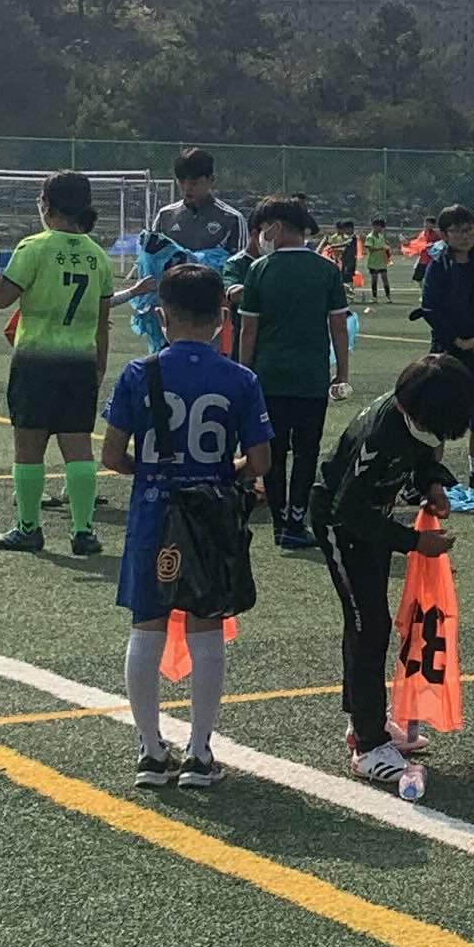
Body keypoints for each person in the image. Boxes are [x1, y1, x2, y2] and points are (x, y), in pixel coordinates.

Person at [100, 268, 270, 787]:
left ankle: (151, 752)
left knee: (146, 624)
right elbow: (260, 461)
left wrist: (152, 473)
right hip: (210, 514)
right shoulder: (240, 379)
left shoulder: (138, 373)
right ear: (222, 317)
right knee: (206, 624)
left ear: (161, 316)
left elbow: (112, 456)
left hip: (154, 510)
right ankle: (199, 751)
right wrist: (222, 473)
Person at [316, 355, 474, 805]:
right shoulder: (380, 435)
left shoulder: (415, 420)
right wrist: (412, 542)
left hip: (370, 522)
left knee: (372, 624)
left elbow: (423, 457)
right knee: (367, 624)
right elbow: (347, 509)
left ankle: (364, 721)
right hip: (342, 527)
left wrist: (432, 486)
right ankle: (368, 745)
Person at [0, 167, 119, 556]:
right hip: (81, 362)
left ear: (47, 205)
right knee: (78, 446)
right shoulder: (98, 257)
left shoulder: (33, 247)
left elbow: (2, 297)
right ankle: (83, 532)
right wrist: (99, 366)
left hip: (36, 361)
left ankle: (28, 528)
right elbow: (102, 322)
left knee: (29, 446)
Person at [230, 194, 354, 552]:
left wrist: (244, 372)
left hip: (268, 376)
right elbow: (339, 327)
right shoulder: (326, 270)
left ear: (277, 228)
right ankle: (297, 522)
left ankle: (280, 521)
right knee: (306, 450)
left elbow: (248, 330)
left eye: (263, 228)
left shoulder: (259, 269)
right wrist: (342, 372)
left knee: (274, 450)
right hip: (311, 377)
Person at [410, 204, 474, 473]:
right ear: (445, 235)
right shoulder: (439, 265)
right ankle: (431, 479)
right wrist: (456, 340)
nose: (465, 236)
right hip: (445, 353)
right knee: (439, 418)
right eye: (458, 231)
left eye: (470, 230)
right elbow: (430, 309)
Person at [131, 150, 245, 345]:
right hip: (172, 312)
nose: (186, 188)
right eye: (181, 182)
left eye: (194, 183)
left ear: (210, 180)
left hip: (210, 314)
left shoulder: (232, 219)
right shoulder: (166, 216)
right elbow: (151, 263)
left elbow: (238, 270)